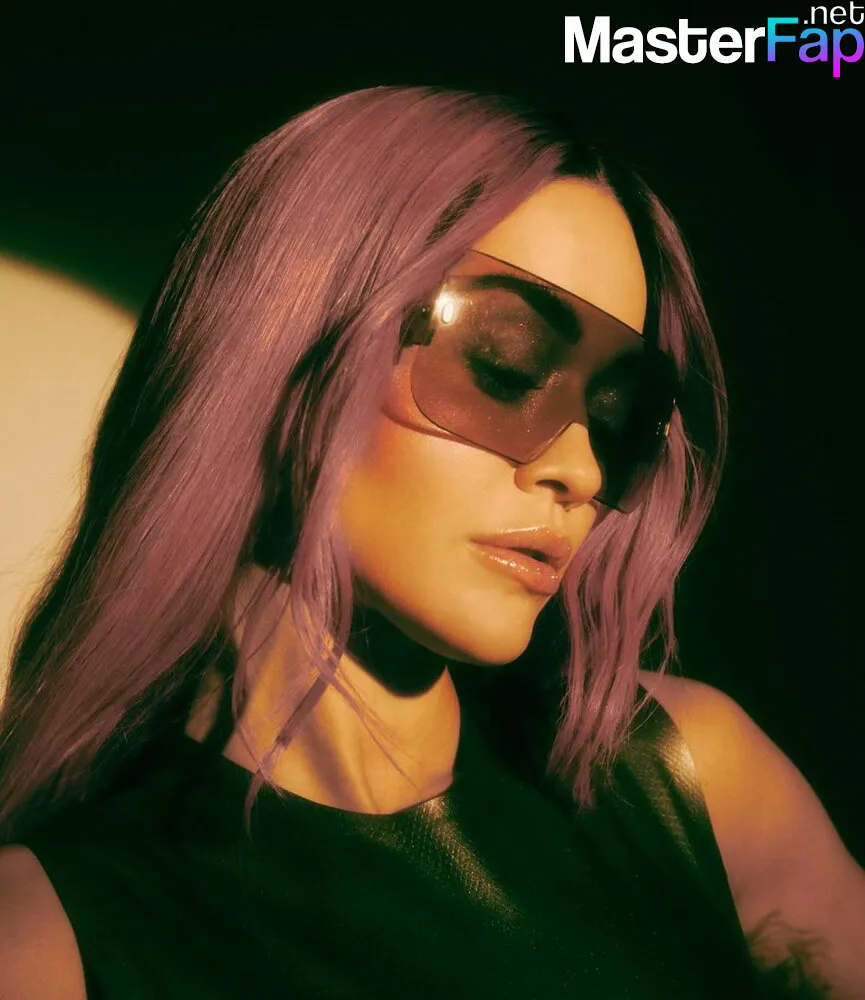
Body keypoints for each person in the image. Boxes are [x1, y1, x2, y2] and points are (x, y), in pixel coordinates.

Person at [0, 85, 862, 999]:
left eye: (618, 415)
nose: (579, 470)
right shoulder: (52, 940)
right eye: (504, 367)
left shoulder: (691, 782)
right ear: (286, 349)